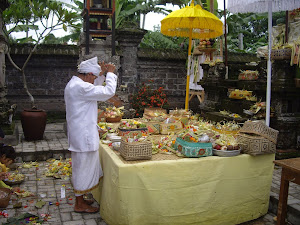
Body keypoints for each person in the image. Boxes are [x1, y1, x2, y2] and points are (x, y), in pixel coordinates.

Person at [64, 56, 117, 213]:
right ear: (87, 74)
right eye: (93, 76)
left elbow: (94, 88)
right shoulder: (80, 87)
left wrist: (101, 74)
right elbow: (108, 92)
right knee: (82, 169)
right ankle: (79, 204)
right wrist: (111, 74)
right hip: (83, 136)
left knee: (84, 168)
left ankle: (81, 196)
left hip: (82, 132)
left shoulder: (76, 84)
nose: (94, 80)